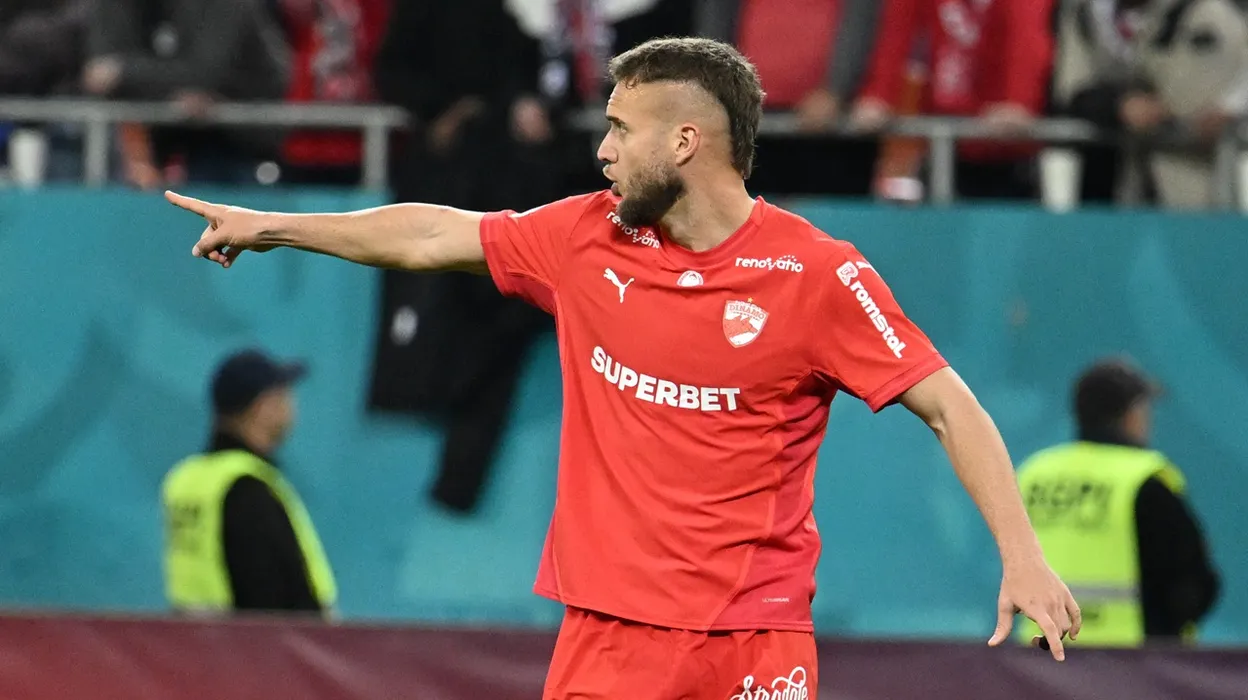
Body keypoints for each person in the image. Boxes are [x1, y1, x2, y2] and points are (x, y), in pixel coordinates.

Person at [165, 37, 1078, 698]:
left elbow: (951, 407)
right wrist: (278, 225)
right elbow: (434, 233)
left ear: (684, 141)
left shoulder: (819, 276)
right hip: (609, 640)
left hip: (754, 640)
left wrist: (1023, 555)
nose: (601, 151)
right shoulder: (585, 238)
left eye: (619, 128)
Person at [1015, 357, 1219, 647]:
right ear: (1131, 415)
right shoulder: (1144, 480)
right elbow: (1192, 583)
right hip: (1130, 659)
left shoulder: (1034, 475)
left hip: (1042, 654)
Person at [162, 349, 337, 617]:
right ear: (263, 407)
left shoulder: (186, 479)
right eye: (283, 396)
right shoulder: (248, 488)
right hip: (257, 644)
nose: (291, 406)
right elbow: (271, 603)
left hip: (194, 641)